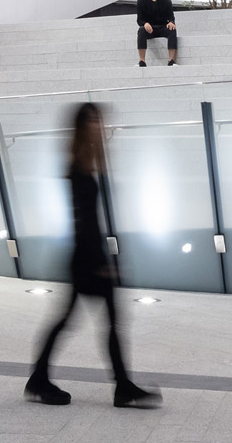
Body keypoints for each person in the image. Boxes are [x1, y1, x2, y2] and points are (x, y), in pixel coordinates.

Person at [26, 103, 160, 408]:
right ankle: (119, 387)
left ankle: (43, 379)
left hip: (87, 256)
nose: (99, 125)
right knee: (85, 320)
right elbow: (83, 221)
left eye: (100, 119)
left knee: (85, 319)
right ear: (82, 125)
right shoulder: (79, 167)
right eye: (93, 120)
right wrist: (101, 263)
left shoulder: (86, 164)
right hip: (87, 259)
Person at [134, 0, 178, 65]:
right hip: (149, 29)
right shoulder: (141, 1)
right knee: (141, 30)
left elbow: (171, 15)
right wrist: (145, 23)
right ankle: (142, 61)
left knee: (172, 28)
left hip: (162, 27)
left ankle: (171, 60)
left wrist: (171, 22)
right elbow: (140, 20)